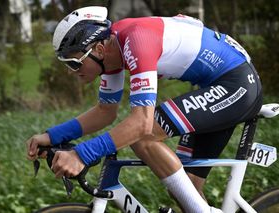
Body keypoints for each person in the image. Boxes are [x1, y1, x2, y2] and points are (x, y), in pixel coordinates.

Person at [26, 6, 262, 213]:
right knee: (185, 188)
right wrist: (51, 136)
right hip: (217, 85)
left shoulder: (137, 41)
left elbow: (141, 123)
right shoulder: (110, 51)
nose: (70, 71)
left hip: (236, 85)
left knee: (143, 136)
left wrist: (81, 154)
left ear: (98, 49)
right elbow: (105, 112)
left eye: (73, 62)